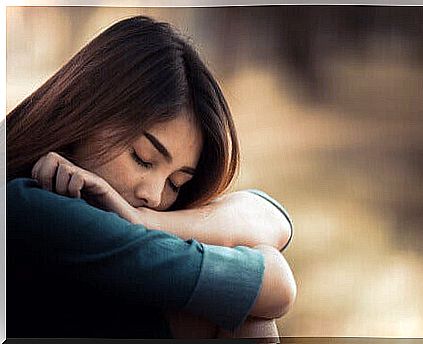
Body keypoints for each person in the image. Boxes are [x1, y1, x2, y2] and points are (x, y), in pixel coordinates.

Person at [6, 15, 296, 339]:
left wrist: (143, 220)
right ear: (86, 111)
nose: (155, 197)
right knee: (238, 319)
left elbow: (272, 217)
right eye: (143, 158)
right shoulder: (29, 207)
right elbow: (274, 285)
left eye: (176, 184)